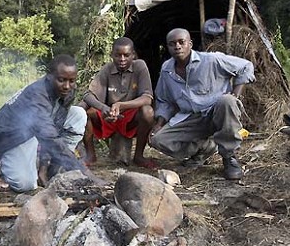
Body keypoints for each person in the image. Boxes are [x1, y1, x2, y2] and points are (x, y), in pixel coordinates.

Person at [148, 28, 255, 180]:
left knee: (227, 101)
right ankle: (204, 148)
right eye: (172, 44)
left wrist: (235, 95)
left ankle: (229, 157)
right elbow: (164, 100)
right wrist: (159, 123)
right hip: (191, 118)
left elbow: (246, 66)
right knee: (157, 139)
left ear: (190, 44)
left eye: (181, 42)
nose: (177, 46)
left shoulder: (211, 60)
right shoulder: (167, 69)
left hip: (215, 113)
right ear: (168, 47)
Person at [0, 54, 101, 191]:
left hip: (37, 130)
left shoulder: (68, 91)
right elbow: (50, 139)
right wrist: (86, 173)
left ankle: (54, 170)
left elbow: (57, 128)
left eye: (71, 81)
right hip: (13, 137)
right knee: (26, 184)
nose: (67, 86)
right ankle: (3, 165)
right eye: (61, 80)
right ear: (49, 76)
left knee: (78, 115)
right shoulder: (37, 96)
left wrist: (45, 169)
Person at [82, 37, 155, 168]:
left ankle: (139, 156)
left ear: (133, 55)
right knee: (84, 111)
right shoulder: (107, 69)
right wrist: (103, 108)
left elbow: (147, 97)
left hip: (130, 117)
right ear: (112, 55)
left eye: (126, 55)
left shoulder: (140, 66)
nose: (122, 59)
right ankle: (90, 156)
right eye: (118, 55)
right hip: (109, 116)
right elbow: (88, 95)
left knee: (147, 112)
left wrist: (122, 105)